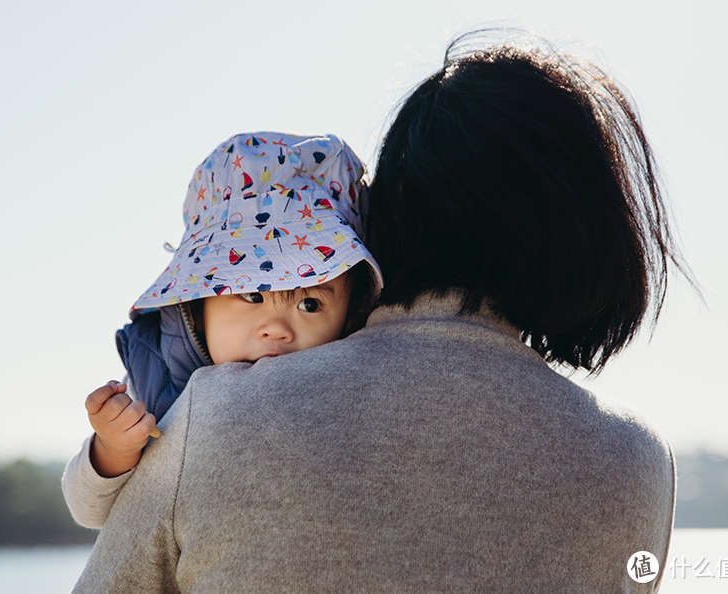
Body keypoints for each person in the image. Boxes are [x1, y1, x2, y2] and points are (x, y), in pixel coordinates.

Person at [72, 31, 690, 594]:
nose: (275, 326)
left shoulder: (216, 415)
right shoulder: (636, 464)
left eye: (307, 296)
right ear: (591, 229)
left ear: (390, 209)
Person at [62, 132, 383, 527]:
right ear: (197, 300)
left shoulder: (356, 379)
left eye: (309, 304)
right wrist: (112, 449)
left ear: (351, 312)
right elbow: (89, 511)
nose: (277, 329)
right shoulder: (155, 374)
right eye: (251, 296)